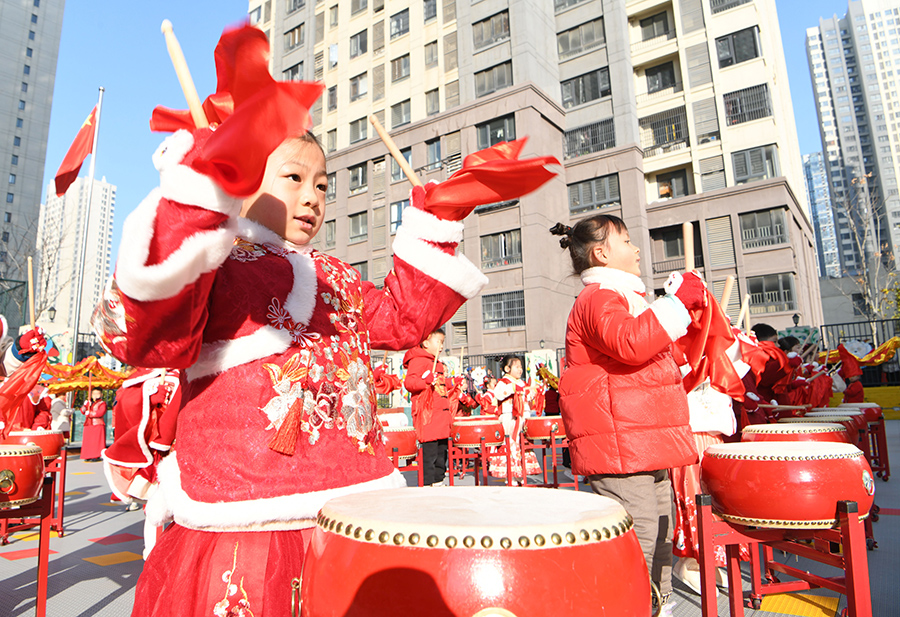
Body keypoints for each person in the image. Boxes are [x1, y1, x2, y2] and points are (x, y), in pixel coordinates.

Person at [87, 24, 560, 617]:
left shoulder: (332, 272)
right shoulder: (219, 261)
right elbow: (147, 330)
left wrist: (439, 219)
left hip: (351, 500)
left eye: (321, 185)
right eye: (293, 179)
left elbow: (397, 321)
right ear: (243, 176)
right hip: (246, 509)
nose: (312, 198)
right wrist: (195, 202)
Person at [551, 215, 700, 616]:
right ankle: (628, 606)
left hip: (642, 440)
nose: (637, 250)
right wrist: (675, 305)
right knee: (639, 535)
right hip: (620, 443)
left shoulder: (625, 298)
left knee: (660, 534)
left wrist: (682, 314)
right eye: (628, 241)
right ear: (601, 253)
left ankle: (660, 605)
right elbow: (632, 343)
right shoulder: (598, 297)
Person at [403, 329, 453, 486]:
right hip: (428, 413)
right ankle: (427, 483)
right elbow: (409, 383)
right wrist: (424, 382)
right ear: (425, 343)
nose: (441, 346)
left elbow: (439, 387)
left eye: (442, 342)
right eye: (438, 341)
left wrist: (451, 383)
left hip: (440, 414)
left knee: (441, 451)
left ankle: (438, 480)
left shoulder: (436, 362)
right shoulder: (418, 360)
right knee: (430, 451)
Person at [488, 355, 541, 484]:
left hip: (522, 418)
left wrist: (532, 392)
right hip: (509, 418)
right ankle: (510, 476)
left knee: (522, 445)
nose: (520, 369)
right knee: (510, 445)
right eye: (517, 367)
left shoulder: (522, 382)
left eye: (521, 367)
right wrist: (512, 389)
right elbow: (499, 395)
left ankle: (520, 474)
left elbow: (528, 396)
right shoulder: (503, 382)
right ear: (507, 368)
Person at [80, 388, 107, 462]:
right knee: (88, 441)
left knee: (96, 441)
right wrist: (85, 405)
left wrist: (90, 414)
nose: (95, 395)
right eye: (94, 394)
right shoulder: (89, 403)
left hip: (97, 423)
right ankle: (87, 455)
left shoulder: (102, 403)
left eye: (97, 393)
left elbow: (100, 413)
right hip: (88, 424)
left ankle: (96, 455)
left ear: (101, 394)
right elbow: (82, 411)